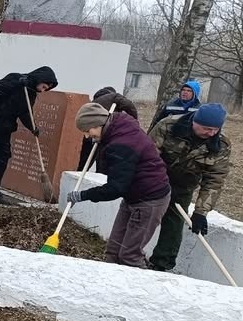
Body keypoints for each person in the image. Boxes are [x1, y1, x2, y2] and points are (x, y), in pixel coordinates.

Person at [67, 103, 170, 268]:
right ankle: (108, 281)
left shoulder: (121, 144)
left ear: (98, 124)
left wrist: (82, 195)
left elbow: (115, 188)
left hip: (149, 199)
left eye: (87, 131)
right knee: (113, 251)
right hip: (132, 195)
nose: (87, 136)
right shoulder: (117, 126)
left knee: (130, 256)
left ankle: (142, 282)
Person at [148, 103, 232, 272]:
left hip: (184, 186)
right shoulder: (168, 126)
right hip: (154, 180)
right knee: (144, 214)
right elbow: (147, 155)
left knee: (174, 222)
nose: (211, 133)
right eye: (207, 128)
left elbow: (214, 180)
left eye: (216, 129)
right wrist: (153, 181)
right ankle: (129, 254)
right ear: (195, 121)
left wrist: (201, 212)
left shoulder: (221, 145)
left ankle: (161, 264)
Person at [0, 66, 58, 204]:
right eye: (44, 86)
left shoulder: (31, 92)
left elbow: (25, 112)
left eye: (46, 89)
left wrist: (33, 127)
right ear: (39, 79)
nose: (42, 90)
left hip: (5, 129)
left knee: (2, 159)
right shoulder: (15, 78)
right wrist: (17, 83)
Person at [78, 86, 138, 169]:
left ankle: (83, 170)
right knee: (102, 157)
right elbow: (129, 106)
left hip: (95, 133)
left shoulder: (96, 103)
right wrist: (134, 120)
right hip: (100, 132)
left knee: (89, 158)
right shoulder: (113, 97)